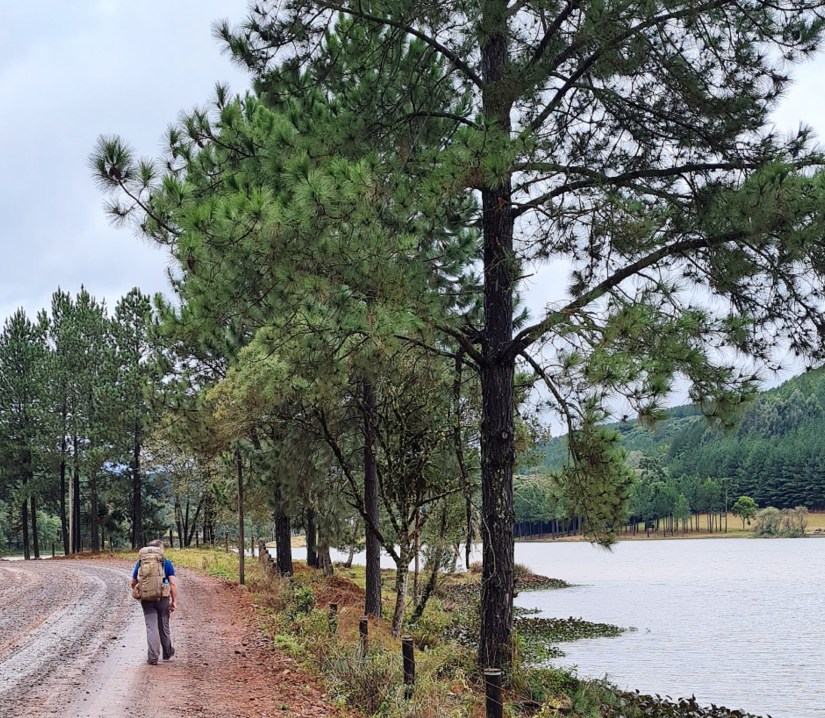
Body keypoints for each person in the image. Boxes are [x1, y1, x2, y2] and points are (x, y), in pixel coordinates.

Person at [130, 539, 178, 665]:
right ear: (160, 550)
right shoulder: (166, 562)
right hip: (162, 599)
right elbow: (172, 583)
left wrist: (141, 593)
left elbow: (133, 582)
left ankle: (152, 657)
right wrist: (174, 601)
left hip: (146, 600)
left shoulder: (141, 562)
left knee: (151, 627)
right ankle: (167, 653)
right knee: (163, 626)